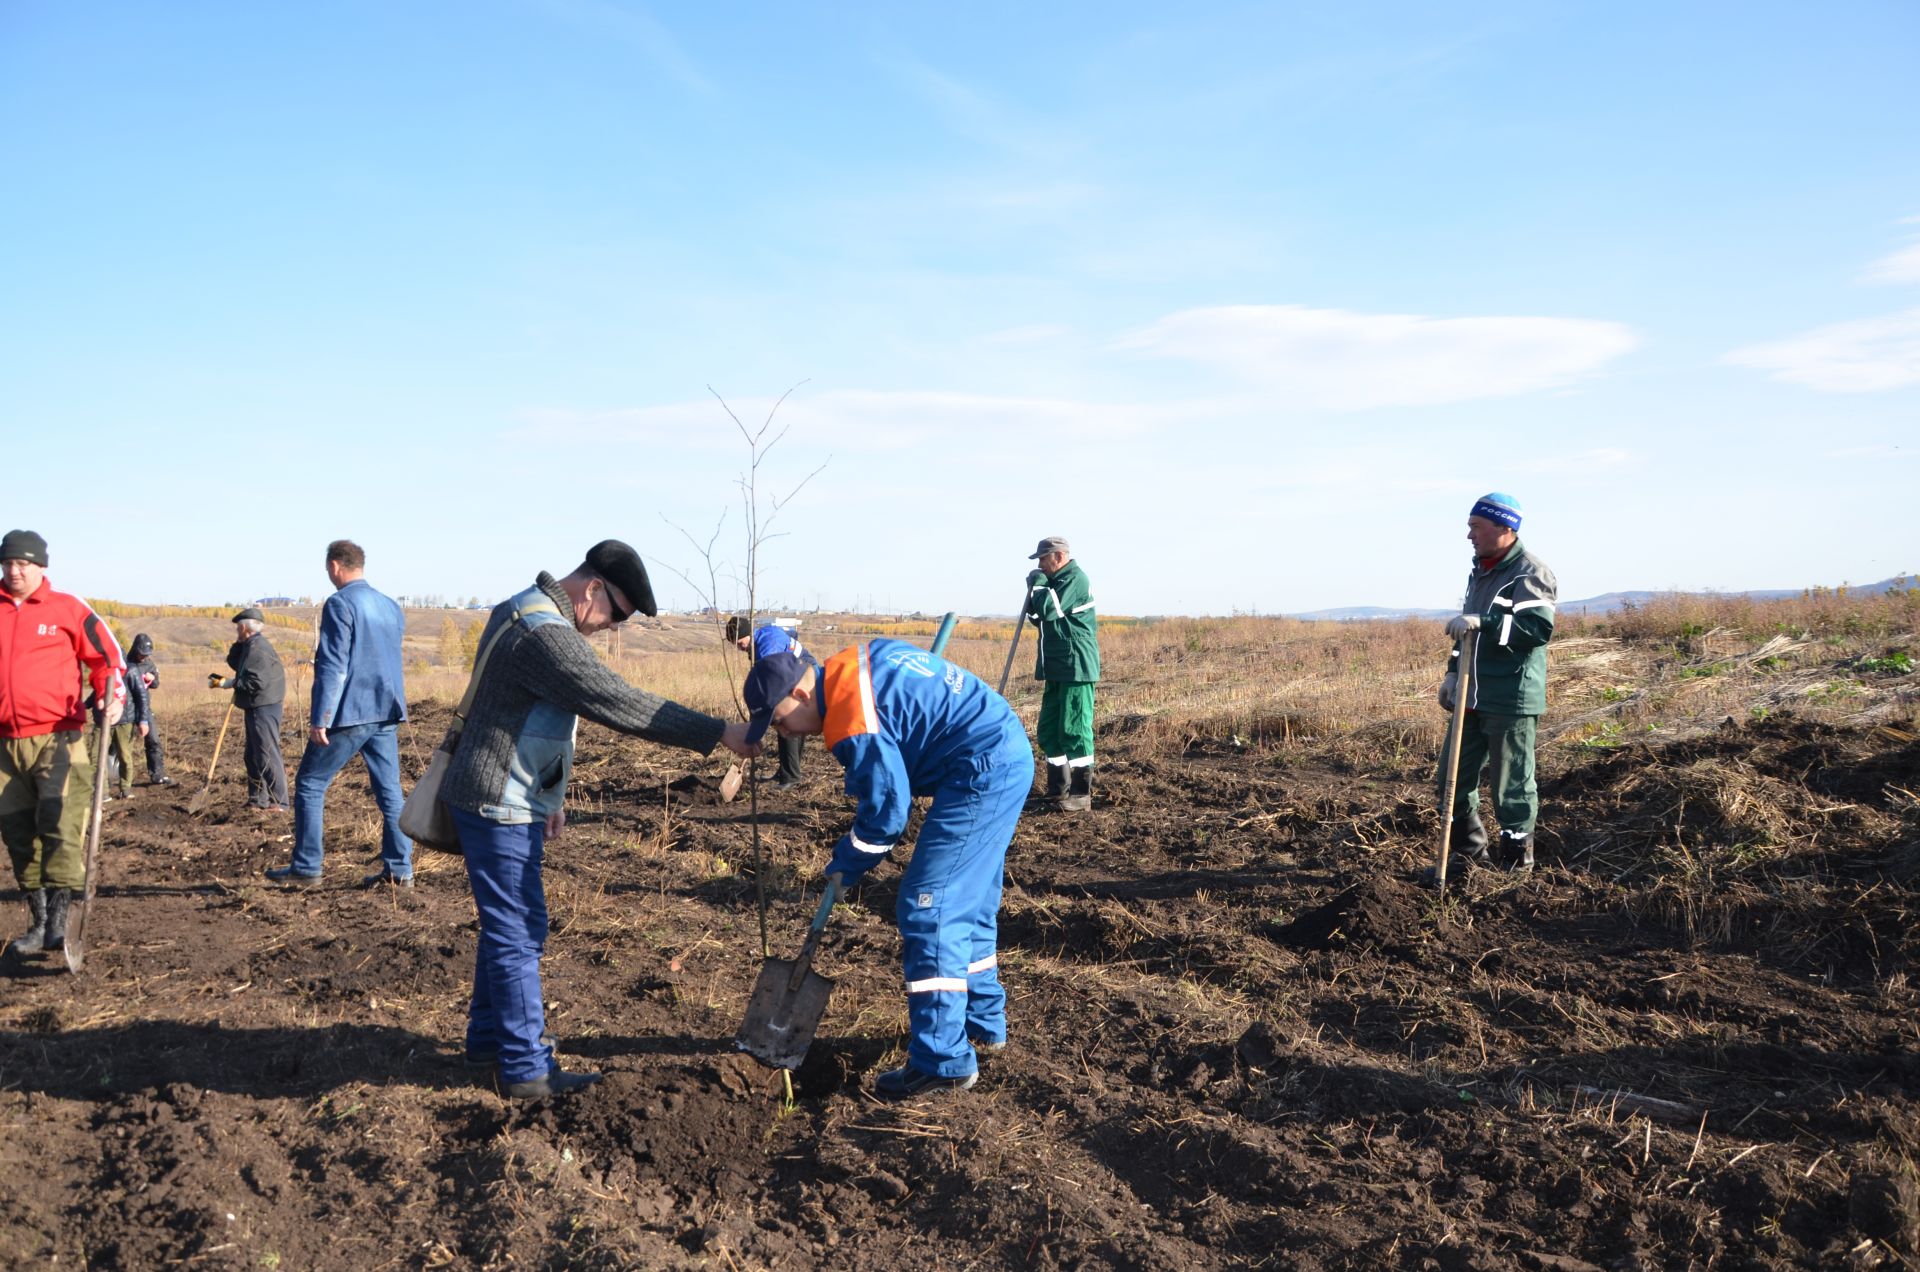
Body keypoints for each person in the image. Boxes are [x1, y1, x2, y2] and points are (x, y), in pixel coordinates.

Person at [442, 539, 759, 1100]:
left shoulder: (519, 608)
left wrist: (550, 796)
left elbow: (518, 712)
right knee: (518, 930)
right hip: (499, 799)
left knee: (509, 926)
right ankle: (526, 1069)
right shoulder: (548, 636)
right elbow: (616, 699)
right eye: (616, 615)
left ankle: (489, 1040)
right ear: (592, 589)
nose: (611, 628)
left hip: (503, 791)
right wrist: (719, 733)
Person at [742, 634, 1030, 1099]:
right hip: (999, 748)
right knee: (969, 905)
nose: (785, 735)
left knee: (929, 907)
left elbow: (887, 817)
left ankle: (943, 1061)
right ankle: (982, 1024)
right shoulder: (849, 666)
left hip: (982, 769)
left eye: (778, 722)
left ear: (798, 693)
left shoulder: (853, 719)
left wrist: (847, 862)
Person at [0, 529, 125, 956]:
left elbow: (106, 659)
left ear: (40, 567)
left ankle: (59, 923)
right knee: (18, 832)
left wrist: (114, 697)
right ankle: (37, 924)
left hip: (58, 737)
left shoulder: (67, 609)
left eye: (23, 564)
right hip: (4, 744)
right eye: (8, 563)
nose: (14, 571)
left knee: (60, 824)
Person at [269, 540, 412, 888]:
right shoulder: (390, 606)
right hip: (386, 709)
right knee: (389, 791)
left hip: (351, 711)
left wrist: (322, 717)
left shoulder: (340, 604)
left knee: (310, 783)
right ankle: (400, 870)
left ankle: (306, 867)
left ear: (334, 566)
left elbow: (333, 665)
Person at [1436, 492, 1558, 872]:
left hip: (1511, 696)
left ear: (1505, 528)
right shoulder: (1481, 571)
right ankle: (1469, 860)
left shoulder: (1529, 573)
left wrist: (1484, 623)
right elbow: (1466, 634)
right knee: (1450, 781)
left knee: (1512, 788)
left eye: (1476, 526)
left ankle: (1516, 868)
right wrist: (1453, 672)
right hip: (1472, 694)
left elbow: (1536, 630)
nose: (1469, 535)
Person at [1024, 536, 1100, 812]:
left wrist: (1039, 586)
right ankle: (1058, 790)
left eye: (1043, 559)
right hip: (1056, 666)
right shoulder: (1054, 581)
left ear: (1058, 556)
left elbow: (1050, 609)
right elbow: (1038, 617)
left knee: (1074, 728)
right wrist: (1035, 591)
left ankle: (1081, 793)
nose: (1041, 565)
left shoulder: (1074, 579)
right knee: (1049, 730)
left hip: (1075, 666)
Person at [213, 608, 289, 812]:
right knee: (253, 755)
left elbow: (256, 682)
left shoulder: (258, 648)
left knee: (266, 753)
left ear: (244, 627)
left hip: (264, 706)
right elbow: (234, 662)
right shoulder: (249, 645)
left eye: (238, 628)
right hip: (256, 705)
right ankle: (258, 799)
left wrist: (230, 684)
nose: (237, 631)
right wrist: (239, 644)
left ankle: (279, 802)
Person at [728, 616, 812, 788]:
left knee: (787, 720)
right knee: (784, 722)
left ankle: (791, 777)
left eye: (739, 642)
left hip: (803, 675)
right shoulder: (758, 641)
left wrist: (759, 715)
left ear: (747, 634)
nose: (739, 647)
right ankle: (785, 773)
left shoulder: (768, 644)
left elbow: (772, 682)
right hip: (791, 673)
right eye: (734, 644)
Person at [124, 633, 174, 787]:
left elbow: (156, 684)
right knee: (122, 744)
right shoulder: (125, 663)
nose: (144, 657)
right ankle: (120, 778)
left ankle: (157, 774)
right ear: (135, 649)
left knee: (154, 741)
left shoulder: (150, 664)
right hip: (127, 708)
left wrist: (152, 679)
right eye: (142, 654)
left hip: (145, 708)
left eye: (147, 654)